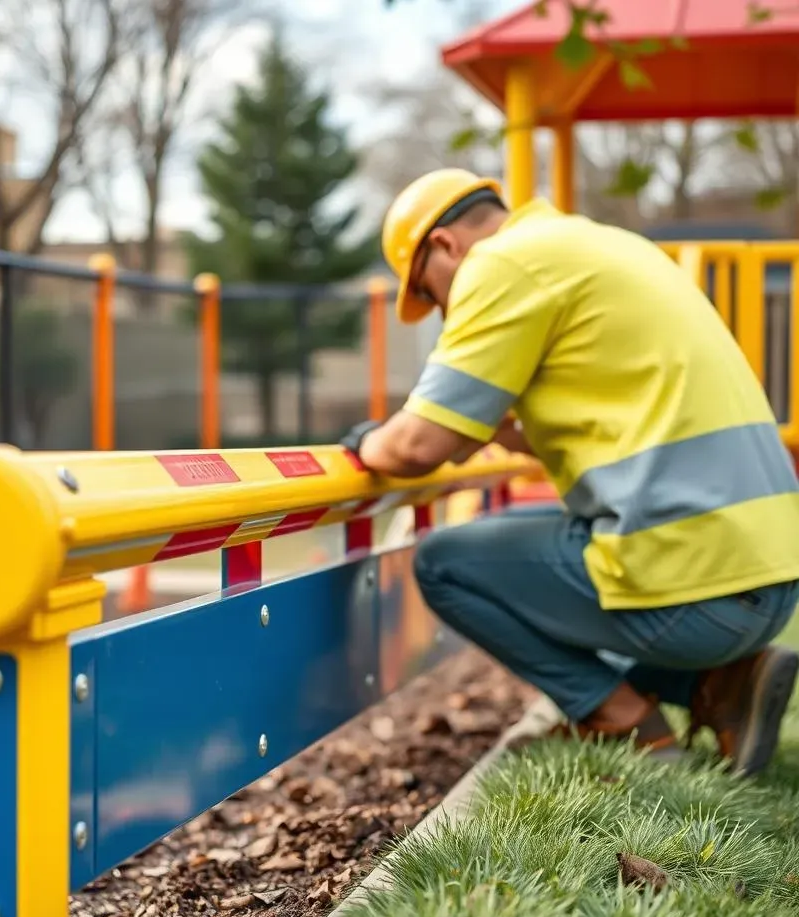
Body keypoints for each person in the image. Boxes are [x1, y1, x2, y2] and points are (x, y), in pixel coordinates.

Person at [341, 168, 799, 776]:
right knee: (522, 531)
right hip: (767, 577)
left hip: (698, 589)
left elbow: (417, 444)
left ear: (444, 247)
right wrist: (488, 425)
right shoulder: (603, 245)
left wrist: (368, 443)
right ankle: (719, 682)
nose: (442, 313)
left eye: (429, 294)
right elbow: (612, 424)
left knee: (444, 562)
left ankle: (623, 719)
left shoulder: (501, 266)